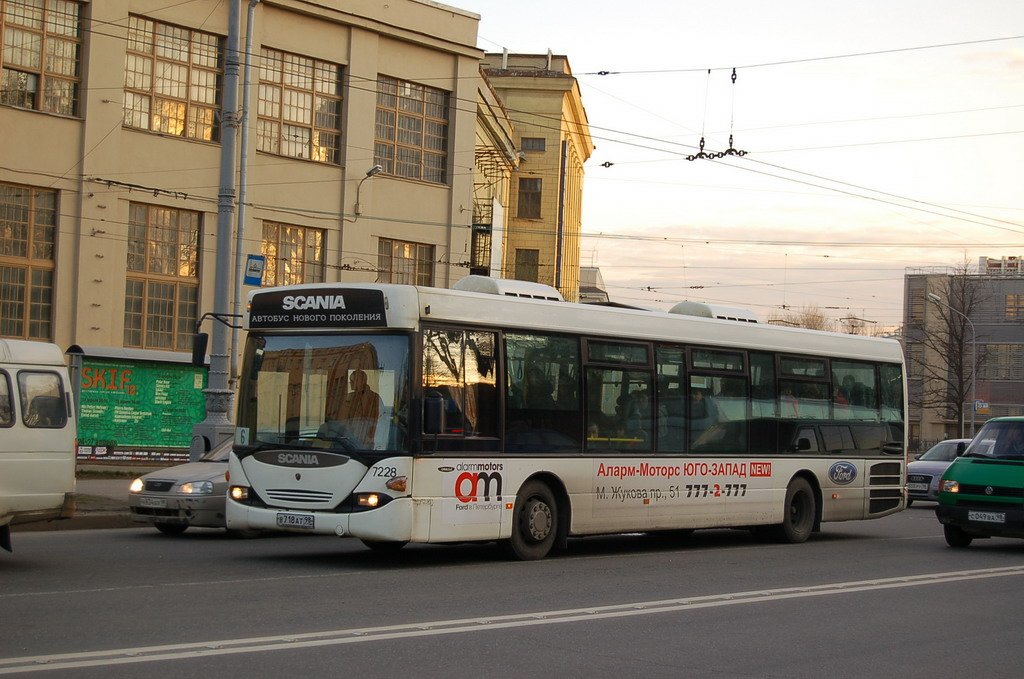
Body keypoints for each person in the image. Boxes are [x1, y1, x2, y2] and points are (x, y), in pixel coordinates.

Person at [334, 369, 383, 447]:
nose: (351, 383)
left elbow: (380, 420)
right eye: (350, 380)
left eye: (353, 380)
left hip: (366, 440)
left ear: (362, 381)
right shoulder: (350, 397)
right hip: (348, 439)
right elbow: (342, 418)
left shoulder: (374, 398)